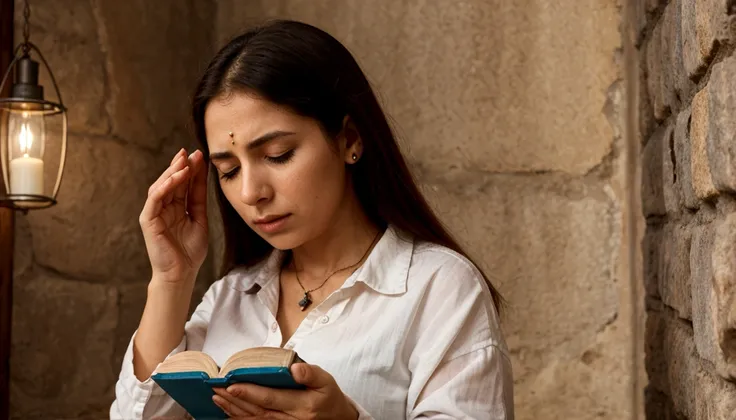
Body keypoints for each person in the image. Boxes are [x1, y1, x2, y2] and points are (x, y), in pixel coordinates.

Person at [110, 19, 513, 419]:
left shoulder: (438, 289)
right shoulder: (231, 297)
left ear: (349, 139)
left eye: (278, 155)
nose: (251, 193)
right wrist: (171, 280)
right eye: (229, 171)